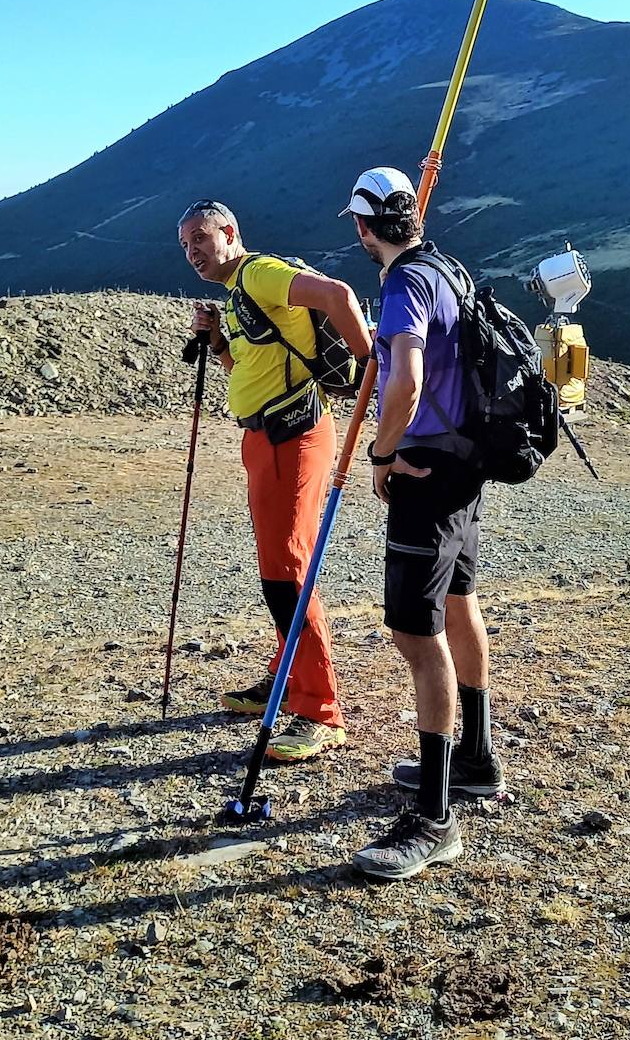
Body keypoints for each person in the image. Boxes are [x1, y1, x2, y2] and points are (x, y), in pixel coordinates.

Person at [339, 167, 505, 879]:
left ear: (361, 227)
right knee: (460, 601)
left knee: (415, 631)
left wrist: (381, 454)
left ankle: (435, 819)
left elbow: (402, 377)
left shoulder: (403, 282)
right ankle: (475, 757)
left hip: (423, 471)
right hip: (465, 465)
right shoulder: (446, 267)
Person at [178, 199, 372, 763]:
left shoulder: (260, 273)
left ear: (230, 232)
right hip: (263, 439)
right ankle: (288, 677)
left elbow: (337, 295)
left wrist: (372, 362)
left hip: (294, 437)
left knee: (286, 575)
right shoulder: (238, 291)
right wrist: (216, 340)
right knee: (275, 569)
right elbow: (247, 368)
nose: (192, 252)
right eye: (185, 244)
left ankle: (319, 709)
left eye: (200, 238)